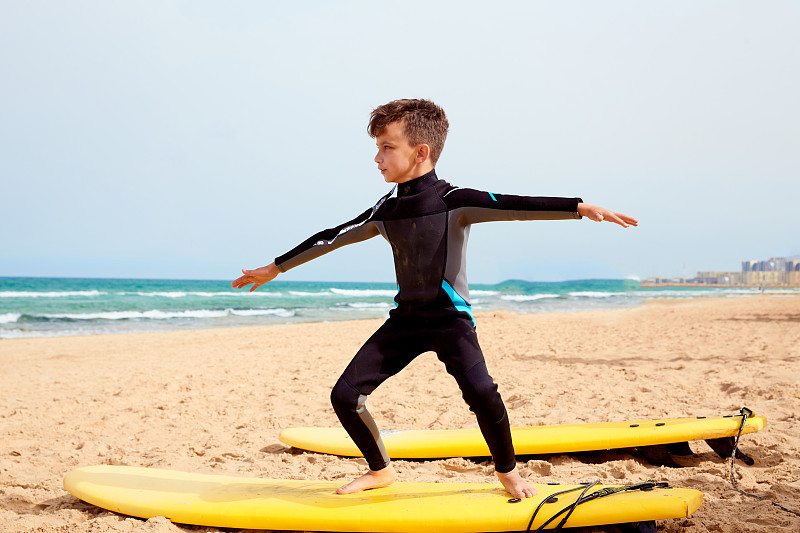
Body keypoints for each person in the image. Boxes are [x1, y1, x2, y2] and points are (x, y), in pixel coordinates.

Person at [232, 99, 637, 498]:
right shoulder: (384, 210)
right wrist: (276, 267)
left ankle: (509, 473)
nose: (377, 157)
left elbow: (515, 204)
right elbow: (334, 236)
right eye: (377, 147)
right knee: (345, 396)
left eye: (387, 147)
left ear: (420, 152)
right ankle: (380, 471)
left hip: (450, 321)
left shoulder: (453, 201)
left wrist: (578, 207)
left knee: (482, 393)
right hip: (404, 322)